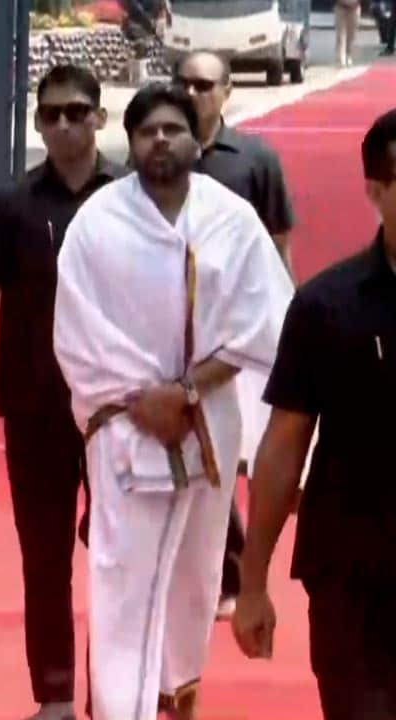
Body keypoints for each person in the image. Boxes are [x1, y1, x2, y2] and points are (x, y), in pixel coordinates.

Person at [53, 83, 293, 719]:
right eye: (148, 131)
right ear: (130, 144)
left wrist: (188, 391)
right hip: (126, 431)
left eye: (173, 129)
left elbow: (262, 321)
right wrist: (144, 398)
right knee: (122, 583)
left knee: (195, 584)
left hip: (208, 423)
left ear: (197, 139)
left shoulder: (230, 220)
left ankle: (177, 702)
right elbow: (77, 333)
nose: (161, 139)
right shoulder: (97, 223)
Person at [0, 64, 121, 720]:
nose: (64, 124)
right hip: (35, 405)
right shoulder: (11, 205)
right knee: (44, 557)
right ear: (38, 122)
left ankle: (118, 691)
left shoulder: (131, 198)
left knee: (118, 557)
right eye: (51, 114)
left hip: (118, 411)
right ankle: (53, 694)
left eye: (77, 111)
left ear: (100, 117)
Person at [233, 109, 396, 720]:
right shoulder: (327, 305)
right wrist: (252, 584)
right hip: (352, 574)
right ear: (375, 191)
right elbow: (283, 446)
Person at [173, 49, 296, 617]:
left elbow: (277, 248)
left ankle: (239, 562)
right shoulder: (156, 157)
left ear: (226, 91)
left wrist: (286, 324)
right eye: (185, 83)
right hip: (174, 329)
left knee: (236, 450)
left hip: (239, 332)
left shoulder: (253, 159)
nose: (193, 93)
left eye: (204, 85)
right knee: (196, 446)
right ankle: (221, 566)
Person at [335, 0, 361, 67]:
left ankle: (348, 55)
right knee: (340, 35)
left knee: (351, 35)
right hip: (340, 7)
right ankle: (341, 59)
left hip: (354, 7)